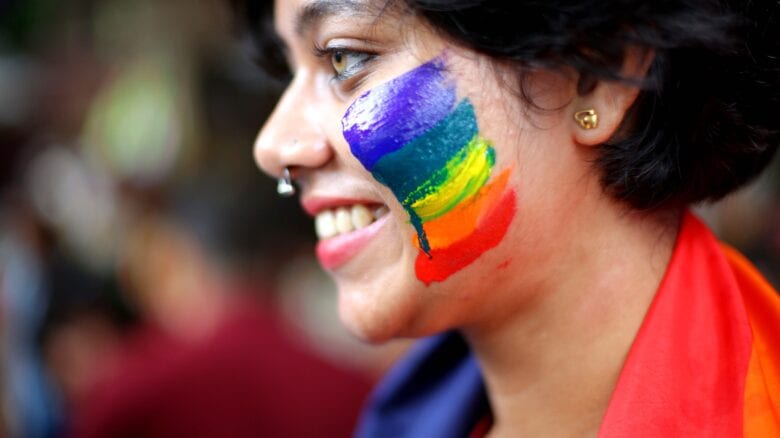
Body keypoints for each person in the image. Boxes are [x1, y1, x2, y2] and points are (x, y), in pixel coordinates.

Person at [233, 0, 780, 436]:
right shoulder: (407, 411)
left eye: (344, 58)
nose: (273, 146)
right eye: (289, 71)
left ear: (600, 75)